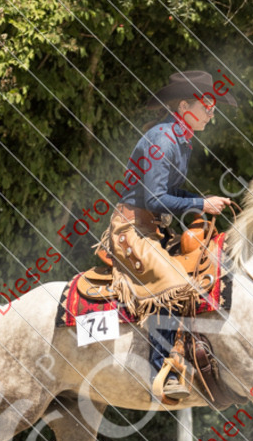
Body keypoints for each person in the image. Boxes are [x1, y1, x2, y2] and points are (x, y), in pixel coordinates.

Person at [100, 71, 236, 401]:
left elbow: (168, 192)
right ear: (184, 105)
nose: (212, 111)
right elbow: (155, 198)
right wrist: (200, 202)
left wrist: (198, 201)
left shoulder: (180, 139)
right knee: (176, 282)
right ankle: (162, 370)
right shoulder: (163, 140)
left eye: (213, 105)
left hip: (154, 229)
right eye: (207, 104)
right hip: (131, 230)